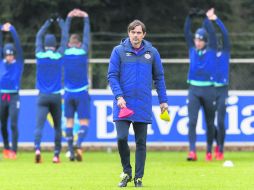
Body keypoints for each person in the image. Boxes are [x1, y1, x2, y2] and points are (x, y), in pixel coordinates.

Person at [108, 20, 168, 187]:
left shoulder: (152, 53)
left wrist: (163, 100)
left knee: (141, 142)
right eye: (133, 32)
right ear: (128, 33)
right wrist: (119, 96)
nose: (136, 35)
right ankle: (127, 172)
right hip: (123, 104)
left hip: (142, 103)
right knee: (121, 138)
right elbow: (112, 76)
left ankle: (139, 177)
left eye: (139, 33)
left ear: (144, 35)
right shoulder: (118, 51)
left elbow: (159, 78)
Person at [184, 8, 217, 161]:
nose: (197, 42)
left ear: (205, 41)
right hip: (194, 90)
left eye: (200, 40)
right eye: (196, 39)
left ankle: (209, 151)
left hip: (209, 89)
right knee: (192, 121)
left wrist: (206, 18)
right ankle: (192, 151)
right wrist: (189, 18)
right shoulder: (192, 49)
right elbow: (186, 32)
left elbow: (212, 34)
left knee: (210, 123)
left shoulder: (211, 50)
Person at [34, 15, 67, 163]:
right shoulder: (59, 55)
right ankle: (56, 154)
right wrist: (61, 24)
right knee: (57, 127)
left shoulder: (39, 55)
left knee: (39, 125)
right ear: (55, 45)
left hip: (42, 96)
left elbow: (38, 36)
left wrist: (46, 23)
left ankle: (37, 148)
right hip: (55, 96)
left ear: (45, 45)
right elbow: (65, 38)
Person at [62, 9, 90, 162]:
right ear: (79, 44)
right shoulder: (83, 51)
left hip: (68, 93)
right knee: (84, 121)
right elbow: (87, 37)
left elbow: (63, 36)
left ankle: (70, 149)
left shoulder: (64, 52)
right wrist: (85, 18)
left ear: (68, 43)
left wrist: (68, 18)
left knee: (69, 122)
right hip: (81, 92)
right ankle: (78, 145)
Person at [207, 9, 230, 160]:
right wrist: (207, 22)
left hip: (222, 90)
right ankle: (211, 148)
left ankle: (220, 149)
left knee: (221, 121)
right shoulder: (209, 55)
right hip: (209, 89)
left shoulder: (226, 54)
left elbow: (225, 34)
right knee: (210, 123)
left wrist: (216, 20)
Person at [0, 22, 23, 159]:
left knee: (13, 124)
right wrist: (2, 31)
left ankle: (14, 150)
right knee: (2, 124)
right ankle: (7, 148)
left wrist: (12, 30)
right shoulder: (1, 63)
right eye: (7, 55)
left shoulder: (18, 63)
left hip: (14, 97)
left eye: (11, 55)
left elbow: (19, 47)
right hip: (2, 96)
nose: (9, 57)